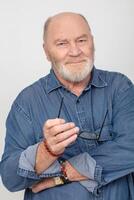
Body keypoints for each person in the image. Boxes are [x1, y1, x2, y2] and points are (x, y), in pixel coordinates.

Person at [0, 12, 134, 200]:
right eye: (62, 43)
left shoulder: (120, 87)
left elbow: (131, 147)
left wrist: (62, 174)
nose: (75, 51)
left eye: (81, 40)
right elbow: (9, 178)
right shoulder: (27, 102)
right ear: (46, 51)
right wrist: (46, 151)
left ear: (92, 43)